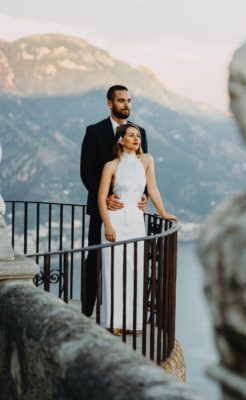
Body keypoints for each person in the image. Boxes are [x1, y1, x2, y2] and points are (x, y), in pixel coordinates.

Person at [98, 123, 176, 335]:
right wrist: (107, 224)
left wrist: (163, 213)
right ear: (121, 140)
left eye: (138, 136)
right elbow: (101, 197)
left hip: (135, 220)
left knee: (135, 269)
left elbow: (152, 188)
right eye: (131, 135)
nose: (136, 139)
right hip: (115, 219)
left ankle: (133, 323)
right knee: (113, 269)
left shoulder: (147, 160)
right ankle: (114, 321)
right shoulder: (110, 166)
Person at [80, 85, 148, 317]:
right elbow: (86, 171)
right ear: (110, 103)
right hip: (102, 211)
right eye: (121, 100)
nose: (126, 105)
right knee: (95, 259)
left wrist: (144, 194)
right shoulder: (94, 131)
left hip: (130, 214)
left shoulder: (140, 132)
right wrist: (105, 197)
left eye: (129, 100)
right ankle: (87, 312)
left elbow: (142, 169)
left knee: (130, 261)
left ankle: (126, 315)